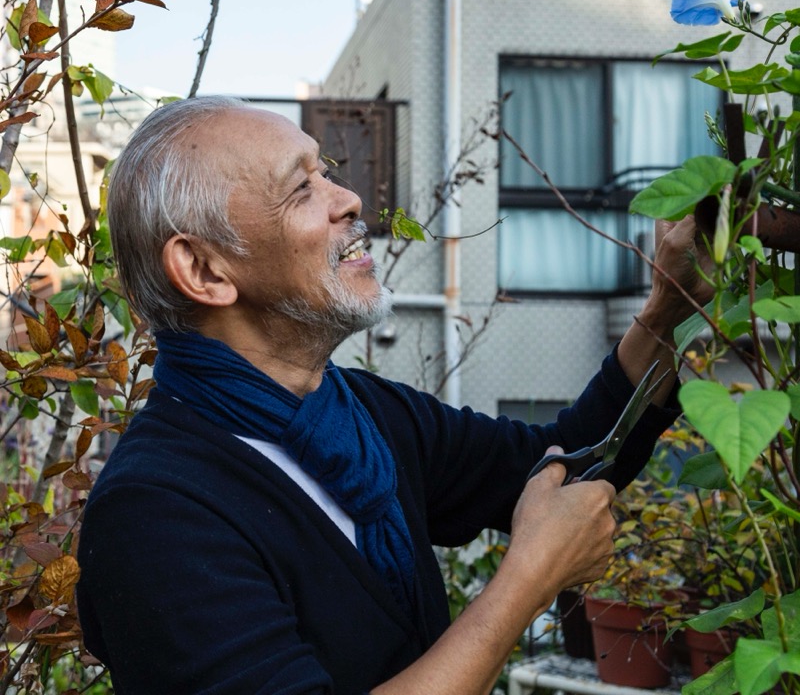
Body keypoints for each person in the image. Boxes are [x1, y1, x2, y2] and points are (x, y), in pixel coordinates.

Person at [76, 95, 711, 695]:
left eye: (325, 172)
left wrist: (665, 309)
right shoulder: (153, 514)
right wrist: (528, 581)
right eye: (301, 188)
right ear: (205, 271)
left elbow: (561, 462)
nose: (348, 199)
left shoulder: (359, 414)